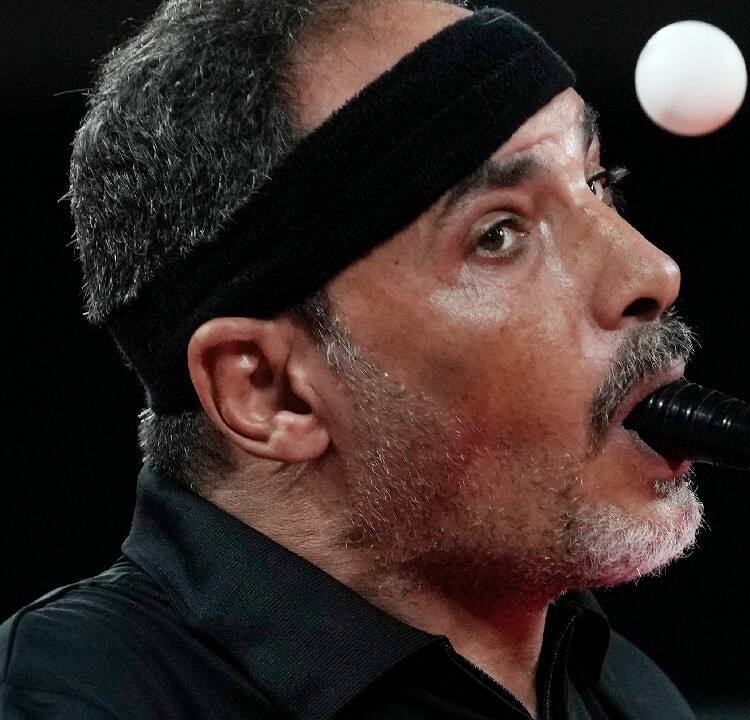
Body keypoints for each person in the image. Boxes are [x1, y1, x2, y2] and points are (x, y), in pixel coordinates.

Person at [0, 1, 704, 717]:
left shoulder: (632, 696)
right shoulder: (71, 697)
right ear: (271, 393)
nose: (651, 270)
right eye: (498, 233)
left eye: (596, 182)